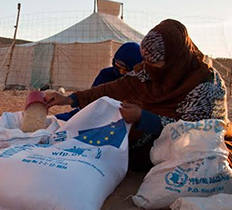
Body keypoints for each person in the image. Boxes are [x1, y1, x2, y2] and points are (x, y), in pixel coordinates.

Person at [46, 19, 231, 171]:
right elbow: (114, 88)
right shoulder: (147, 71)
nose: (150, 70)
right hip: (150, 137)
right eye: (147, 63)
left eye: (157, 65)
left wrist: (144, 117)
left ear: (174, 59)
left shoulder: (205, 84)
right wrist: (70, 99)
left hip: (190, 148)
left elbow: (196, 132)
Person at [55, 42, 142, 121]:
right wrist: (68, 99)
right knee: (58, 121)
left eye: (126, 69)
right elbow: (94, 95)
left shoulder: (141, 83)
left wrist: (141, 116)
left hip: (122, 122)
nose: (121, 72)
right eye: (118, 67)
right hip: (95, 114)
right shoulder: (107, 74)